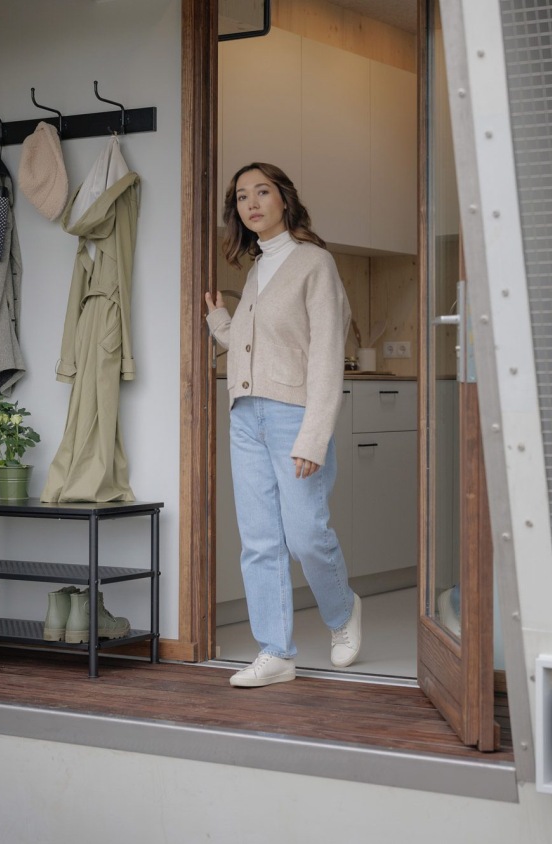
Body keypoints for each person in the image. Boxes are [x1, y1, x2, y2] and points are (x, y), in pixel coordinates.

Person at [205, 162, 362, 688]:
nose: (251, 202)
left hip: (295, 416)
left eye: (262, 191)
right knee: (259, 540)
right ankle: (276, 651)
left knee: (305, 535)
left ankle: (342, 614)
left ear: (284, 199)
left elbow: (324, 355)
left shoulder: (314, 263)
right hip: (245, 416)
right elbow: (257, 348)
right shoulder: (255, 272)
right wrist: (220, 323)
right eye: (242, 196)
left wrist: (313, 436)